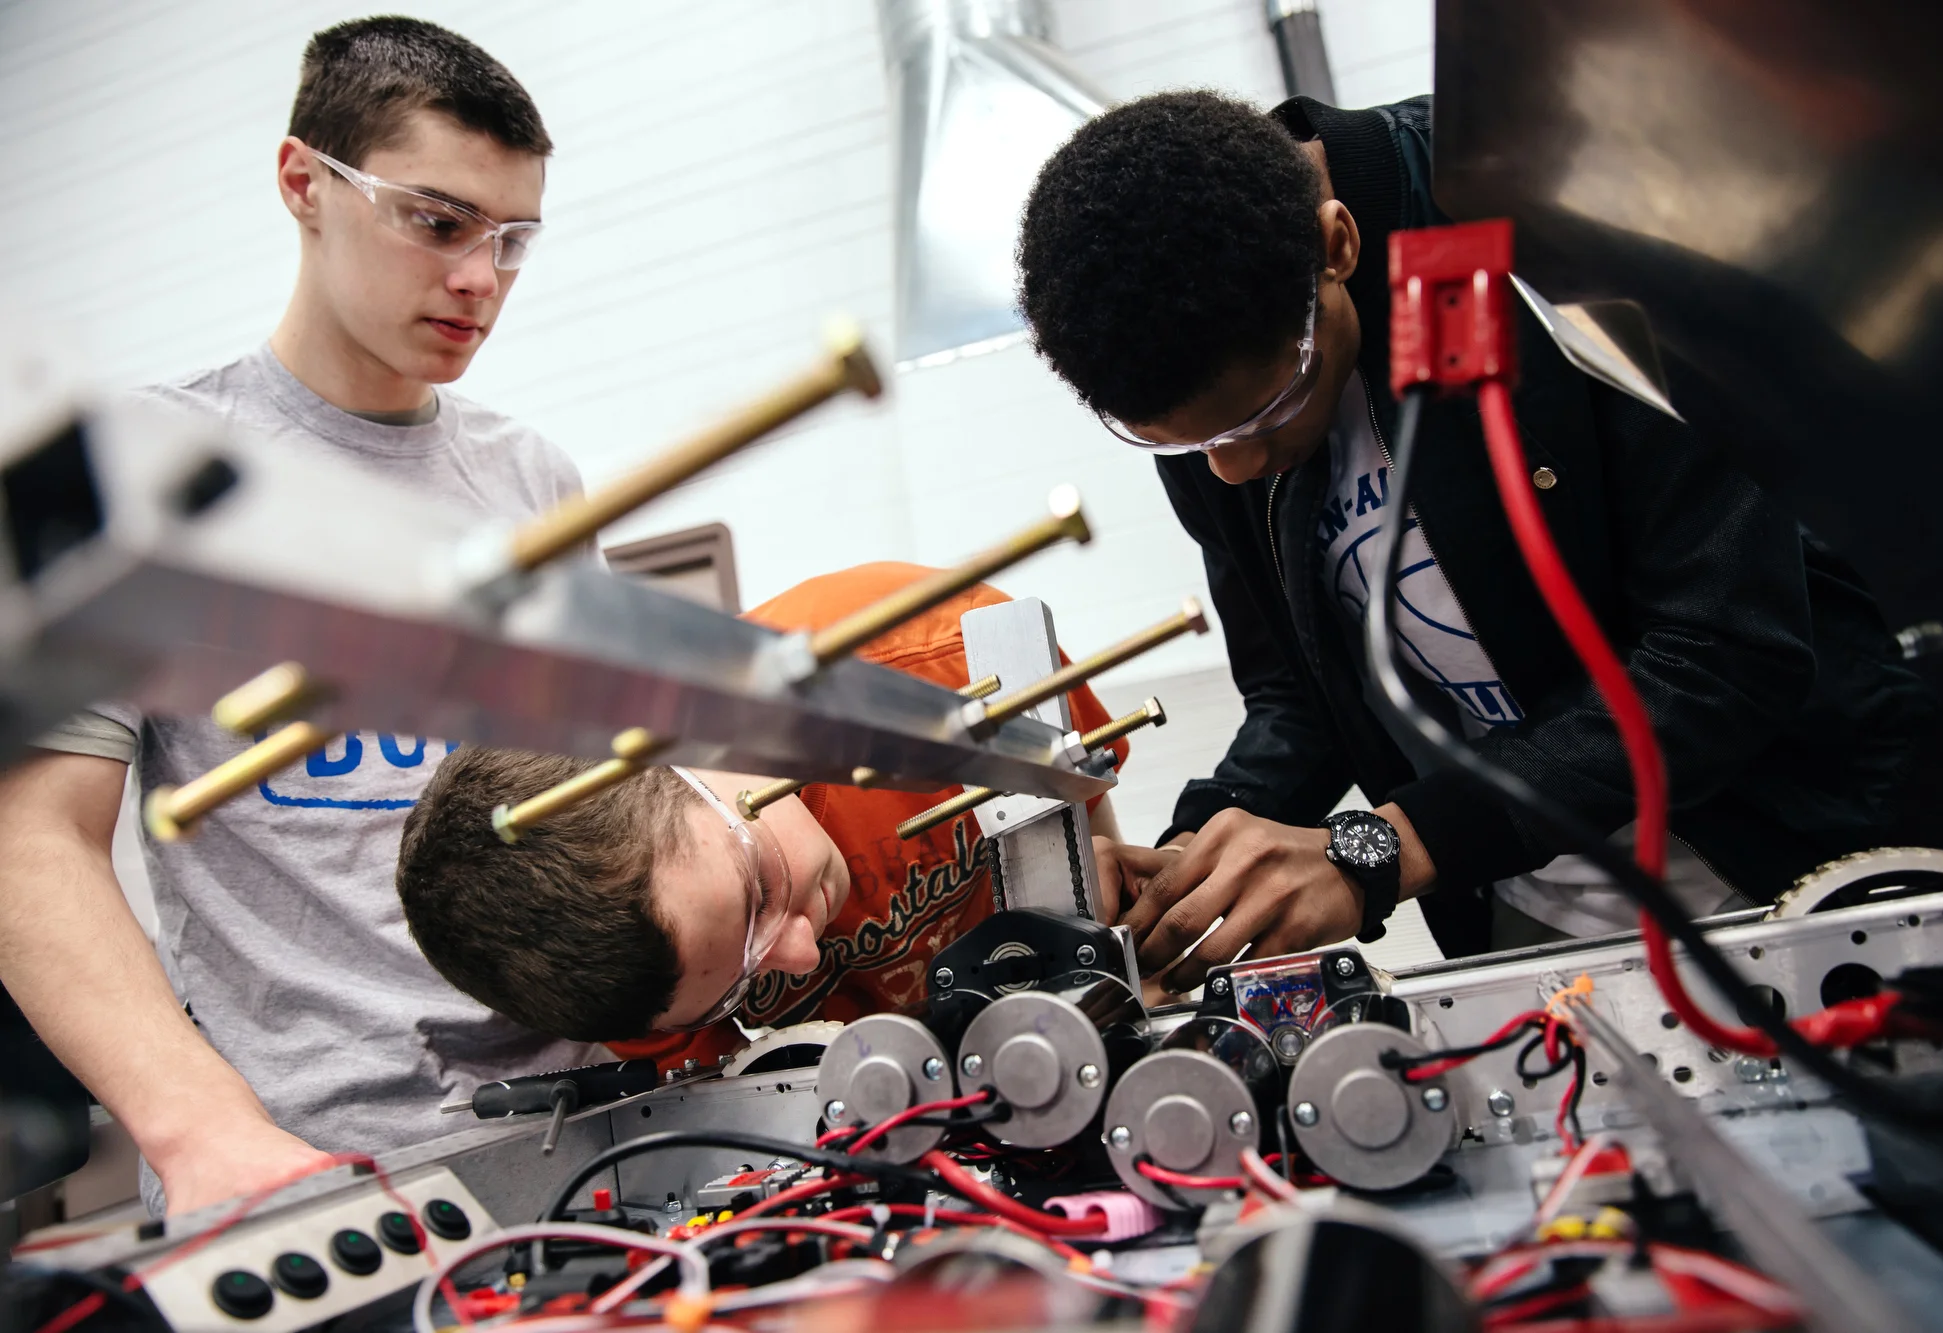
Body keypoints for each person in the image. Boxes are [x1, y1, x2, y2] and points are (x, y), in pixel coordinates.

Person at [1016, 91, 1943, 989]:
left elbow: (1727, 649)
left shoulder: (1548, 217)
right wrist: (1197, 856)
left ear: (1336, 246)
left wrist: (1384, 848)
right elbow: (1299, 698)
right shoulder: (1190, 364)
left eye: (1266, 411)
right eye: (1184, 445)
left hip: (1807, 860)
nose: (1231, 469)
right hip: (1531, 915)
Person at [0, 17, 593, 1215]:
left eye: (512, 240)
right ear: (303, 183)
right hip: (302, 1172)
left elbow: (598, 806)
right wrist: (202, 1131)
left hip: (581, 1126)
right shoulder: (138, 476)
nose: (480, 278)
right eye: (438, 221)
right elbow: (32, 838)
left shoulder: (534, 481)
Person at [396, 563, 1126, 1061]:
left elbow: (1091, 851)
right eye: (739, 989)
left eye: (762, 893)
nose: (800, 953)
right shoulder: (617, 975)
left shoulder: (940, 656)